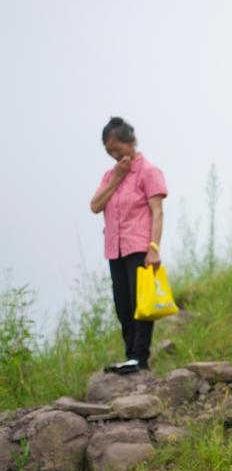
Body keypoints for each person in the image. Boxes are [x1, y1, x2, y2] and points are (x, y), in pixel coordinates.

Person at [90, 117, 167, 374]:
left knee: (140, 303)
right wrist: (117, 178)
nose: (114, 154)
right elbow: (95, 206)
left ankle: (139, 358)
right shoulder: (109, 176)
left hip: (139, 247)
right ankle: (129, 356)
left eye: (117, 148)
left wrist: (154, 247)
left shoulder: (149, 172)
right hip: (115, 249)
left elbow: (157, 212)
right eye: (109, 151)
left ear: (131, 142)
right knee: (123, 305)